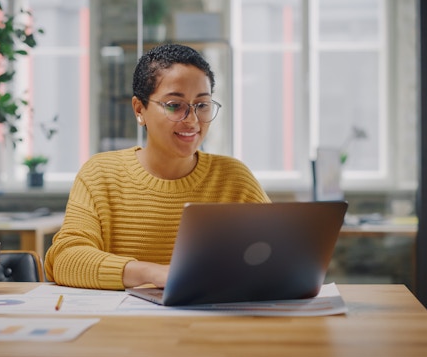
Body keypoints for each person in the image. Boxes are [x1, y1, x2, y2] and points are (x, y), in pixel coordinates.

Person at [45, 43, 270, 290]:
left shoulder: (233, 178)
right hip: (127, 326)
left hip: (212, 322)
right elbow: (66, 259)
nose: (192, 121)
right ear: (139, 109)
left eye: (202, 105)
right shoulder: (101, 174)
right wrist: (153, 273)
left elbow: (279, 254)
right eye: (175, 105)